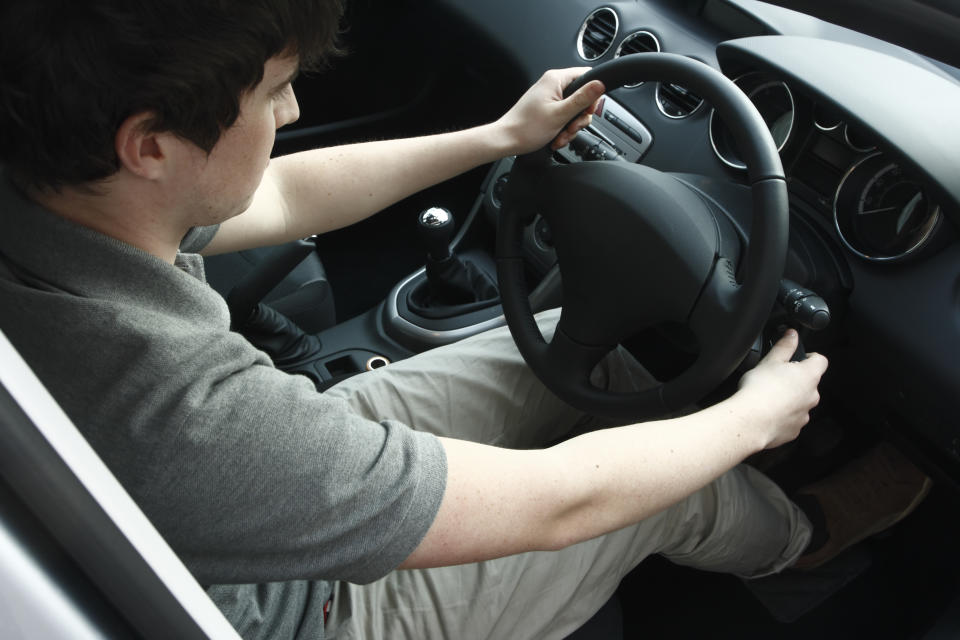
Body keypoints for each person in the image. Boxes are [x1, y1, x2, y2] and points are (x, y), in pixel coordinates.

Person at [0, 1, 928, 638]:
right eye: (273, 89)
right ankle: (808, 537)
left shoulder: (61, 190)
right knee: (671, 489)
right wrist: (749, 420)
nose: (293, 107)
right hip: (313, 614)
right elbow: (561, 503)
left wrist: (497, 137)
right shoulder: (179, 416)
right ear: (151, 144)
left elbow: (281, 189)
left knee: (590, 368)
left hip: (253, 493)